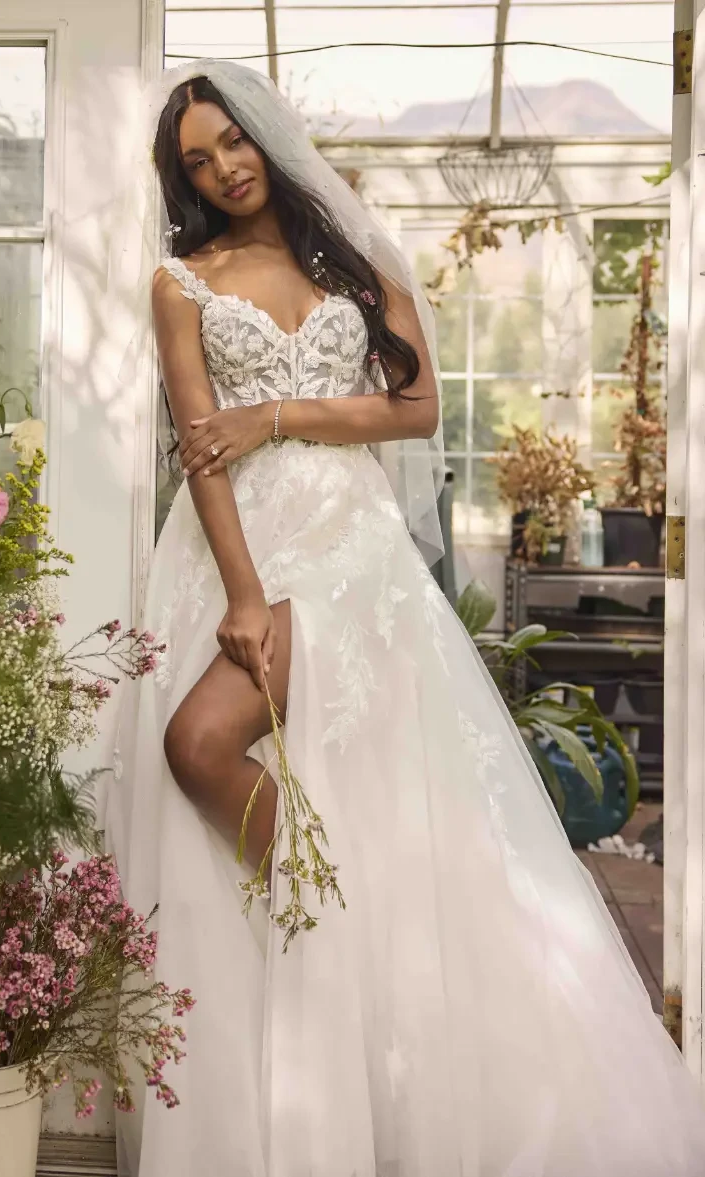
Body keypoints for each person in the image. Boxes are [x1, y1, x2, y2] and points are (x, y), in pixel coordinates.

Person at [100, 58, 705, 1176]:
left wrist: (277, 413)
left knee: (369, 772)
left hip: (352, 551)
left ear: (263, 136)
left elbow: (415, 407)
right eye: (198, 159)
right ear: (181, 179)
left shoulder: (357, 257)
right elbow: (200, 446)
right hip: (236, 548)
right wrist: (244, 594)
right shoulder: (181, 282)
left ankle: (364, 977)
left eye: (232, 140)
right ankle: (321, 916)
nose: (224, 167)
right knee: (198, 745)